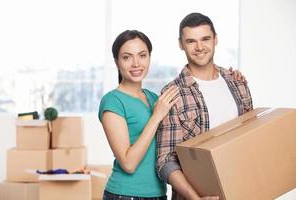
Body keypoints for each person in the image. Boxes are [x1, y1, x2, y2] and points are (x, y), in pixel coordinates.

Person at [156, 13, 253, 200]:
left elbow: (249, 140)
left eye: (205, 39)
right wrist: (195, 198)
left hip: (240, 188)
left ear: (215, 39)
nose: (199, 47)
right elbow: (165, 161)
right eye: (191, 41)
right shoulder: (172, 94)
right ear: (180, 44)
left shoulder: (238, 83)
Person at [98, 30, 179, 199]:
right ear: (116, 61)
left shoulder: (153, 98)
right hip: (125, 194)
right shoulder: (113, 101)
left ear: (149, 57)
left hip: (159, 194)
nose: (136, 63)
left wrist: (230, 77)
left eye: (142, 55)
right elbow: (128, 163)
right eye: (127, 57)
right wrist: (156, 117)